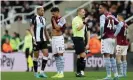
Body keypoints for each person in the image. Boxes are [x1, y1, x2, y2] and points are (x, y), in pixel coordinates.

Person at [99, 3, 120, 80]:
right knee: (112, 57)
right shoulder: (113, 16)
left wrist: (101, 34)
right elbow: (120, 25)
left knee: (106, 56)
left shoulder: (103, 16)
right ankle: (116, 75)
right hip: (112, 39)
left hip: (106, 38)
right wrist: (115, 34)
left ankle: (108, 76)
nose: (99, 9)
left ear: (104, 8)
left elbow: (101, 26)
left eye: (100, 8)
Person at [30, 6, 50, 78]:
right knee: (36, 56)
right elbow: (31, 28)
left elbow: (45, 30)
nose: (43, 12)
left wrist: (49, 39)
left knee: (46, 54)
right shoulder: (34, 18)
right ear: (38, 11)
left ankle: (42, 72)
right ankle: (35, 72)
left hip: (43, 39)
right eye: (41, 10)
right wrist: (33, 37)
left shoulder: (44, 19)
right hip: (36, 40)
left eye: (43, 10)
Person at [50, 7, 66, 78]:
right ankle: (58, 72)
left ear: (57, 12)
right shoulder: (53, 18)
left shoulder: (62, 19)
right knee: (56, 56)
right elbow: (53, 29)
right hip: (53, 39)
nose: (52, 14)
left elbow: (57, 28)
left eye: (53, 12)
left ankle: (62, 73)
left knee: (60, 55)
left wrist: (53, 20)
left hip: (59, 38)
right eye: (52, 13)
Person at [72, 8, 86, 77]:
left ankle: (78, 72)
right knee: (83, 55)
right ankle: (78, 71)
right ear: (79, 12)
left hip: (80, 38)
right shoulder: (76, 19)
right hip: (77, 38)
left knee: (80, 55)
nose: (84, 13)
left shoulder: (80, 19)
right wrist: (83, 23)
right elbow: (78, 28)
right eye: (83, 12)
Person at [114, 13, 129, 77]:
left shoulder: (120, 23)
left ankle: (122, 73)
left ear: (120, 17)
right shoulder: (126, 24)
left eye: (117, 17)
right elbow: (127, 32)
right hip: (125, 43)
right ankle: (125, 73)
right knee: (124, 58)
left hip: (120, 43)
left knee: (118, 58)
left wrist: (114, 35)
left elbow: (118, 30)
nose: (117, 18)